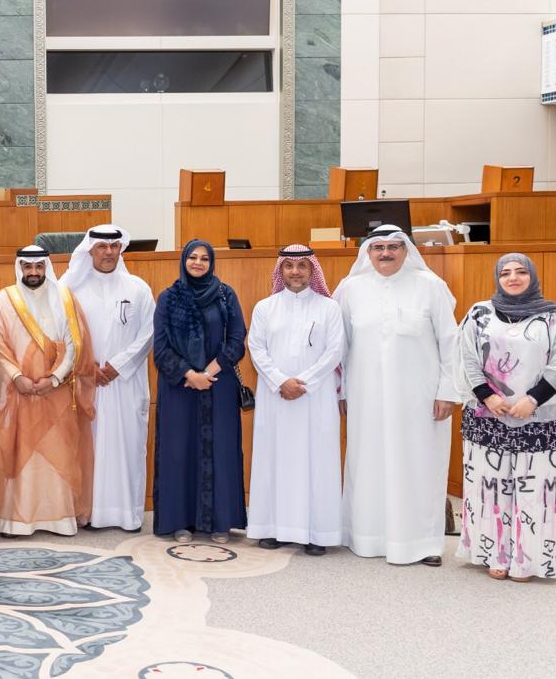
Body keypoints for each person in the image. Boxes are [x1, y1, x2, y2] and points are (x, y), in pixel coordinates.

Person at [334, 226, 458, 566]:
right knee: (367, 464)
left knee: (419, 465)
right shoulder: (351, 289)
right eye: (378, 247)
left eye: (393, 247)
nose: (385, 253)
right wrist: (342, 392)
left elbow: (450, 342)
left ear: (406, 251)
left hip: (419, 400)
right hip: (366, 398)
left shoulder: (430, 286)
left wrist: (447, 391)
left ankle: (423, 543)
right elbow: (340, 347)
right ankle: (366, 538)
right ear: (367, 253)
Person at [454, 253, 556, 580]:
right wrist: (488, 396)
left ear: (532, 277)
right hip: (487, 415)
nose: (513, 278)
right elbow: (467, 359)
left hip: (541, 417)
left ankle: (529, 560)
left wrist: (533, 400)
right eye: (505, 273)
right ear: (497, 278)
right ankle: (493, 553)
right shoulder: (479, 314)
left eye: (521, 272)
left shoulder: (555, 318)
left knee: (535, 491)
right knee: (490, 488)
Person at [0, 246, 96, 537]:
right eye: (27, 266)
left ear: (46, 267)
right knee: (20, 454)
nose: (33, 272)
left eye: (38, 266)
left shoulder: (65, 298)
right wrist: (18, 377)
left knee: (58, 452)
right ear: (19, 267)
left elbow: (74, 345)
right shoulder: (2, 301)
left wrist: (55, 378)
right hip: (18, 392)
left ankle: (59, 519)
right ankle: (17, 522)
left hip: (55, 392)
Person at [245, 245, 345, 555]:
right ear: (281, 271)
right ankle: (274, 528)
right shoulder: (265, 307)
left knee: (317, 462)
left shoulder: (329, 308)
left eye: (302, 265)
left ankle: (317, 533)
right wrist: (280, 381)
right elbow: (256, 348)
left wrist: (304, 383)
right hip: (276, 397)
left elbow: (335, 351)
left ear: (312, 270)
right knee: (275, 459)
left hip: (315, 398)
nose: (295, 271)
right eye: (288, 266)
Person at [152, 239, 248, 544]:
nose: (198, 262)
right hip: (178, 387)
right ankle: (180, 522)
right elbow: (160, 347)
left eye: (204, 258)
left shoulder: (225, 295)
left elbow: (237, 340)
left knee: (221, 449)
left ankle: (220, 522)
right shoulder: (168, 298)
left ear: (212, 263)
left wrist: (209, 372)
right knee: (178, 451)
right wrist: (189, 374)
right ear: (183, 261)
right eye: (192, 257)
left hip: (218, 385)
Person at [61, 226, 155, 532]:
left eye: (115, 246)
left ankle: (126, 515)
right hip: (86, 381)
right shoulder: (72, 289)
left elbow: (150, 332)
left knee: (127, 445)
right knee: (88, 446)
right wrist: (86, 365)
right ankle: (89, 512)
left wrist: (118, 365)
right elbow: (61, 335)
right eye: (102, 246)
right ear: (89, 250)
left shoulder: (137, 288)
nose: (109, 252)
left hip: (125, 382)